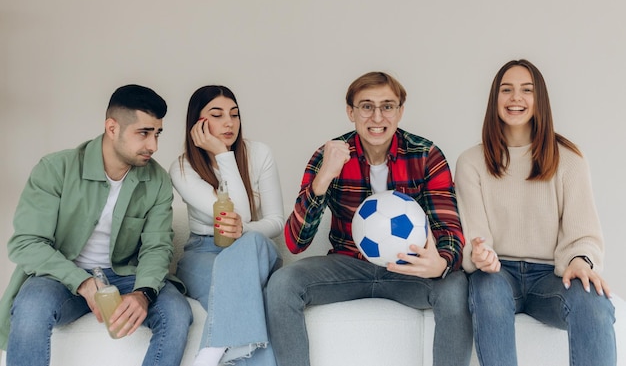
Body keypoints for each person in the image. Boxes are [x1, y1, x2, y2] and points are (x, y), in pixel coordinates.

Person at [266, 71, 473, 366]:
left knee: (455, 287)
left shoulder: (426, 154)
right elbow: (295, 242)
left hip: (408, 268)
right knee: (282, 284)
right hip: (347, 265)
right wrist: (323, 178)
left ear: (400, 111)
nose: (377, 117)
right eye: (366, 106)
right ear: (351, 112)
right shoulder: (329, 155)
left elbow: (448, 226)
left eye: (387, 106)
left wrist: (441, 261)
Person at [0, 84, 193, 366]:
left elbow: (157, 246)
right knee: (30, 307)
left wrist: (143, 292)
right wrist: (82, 282)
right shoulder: (56, 169)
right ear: (112, 128)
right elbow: (26, 243)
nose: (153, 145)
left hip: (126, 276)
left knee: (177, 313)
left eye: (157, 133)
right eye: (143, 133)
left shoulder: (157, 180)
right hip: (61, 278)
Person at [455, 59, 617, 366]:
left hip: (551, 278)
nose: (516, 98)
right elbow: (475, 234)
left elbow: (583, 233)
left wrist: (581, 261)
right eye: (507, 90)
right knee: (487, 290)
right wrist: (480, 254)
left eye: (526, 90)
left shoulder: (569, 160)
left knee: (594, 301)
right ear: (495, 100)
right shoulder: (471, 162)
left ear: (538, 100)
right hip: (498, 274)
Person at [169, 85, 284, 366]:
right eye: (217, 115)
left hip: (253, 251)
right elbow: (235, 214)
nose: (229, 122)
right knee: (251, 301)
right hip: (203, 253)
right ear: (198, 122)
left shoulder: (259, 154)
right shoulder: (182, 168)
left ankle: (209, 353)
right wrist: (221, 153)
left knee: (253, 241)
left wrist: (223, 154)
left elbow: (271, 221)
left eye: (234, 114)